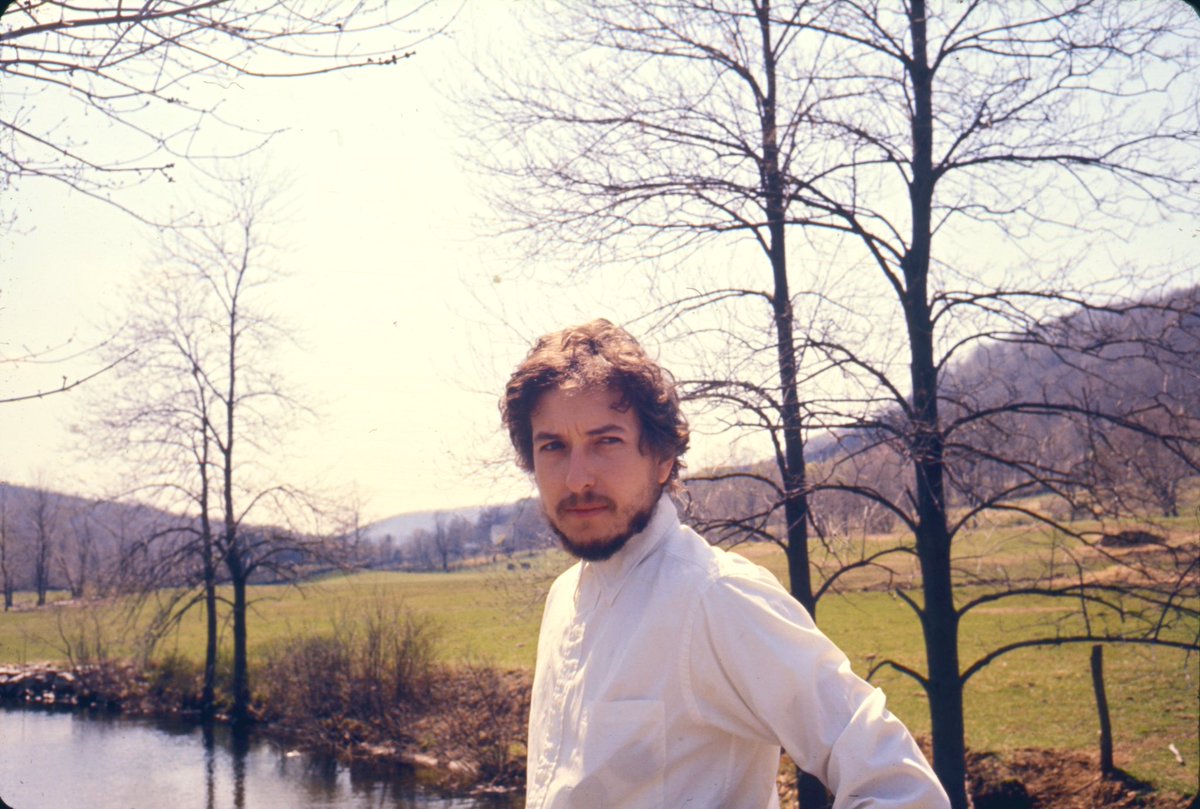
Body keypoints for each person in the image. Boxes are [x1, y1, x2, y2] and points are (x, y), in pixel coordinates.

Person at [502, 319, 949, 809]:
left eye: (606, 441)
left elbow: (902, 790)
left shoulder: (714, 596)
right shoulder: (565, 598)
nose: (577, 477)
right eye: (553, 447)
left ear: (663, 458)